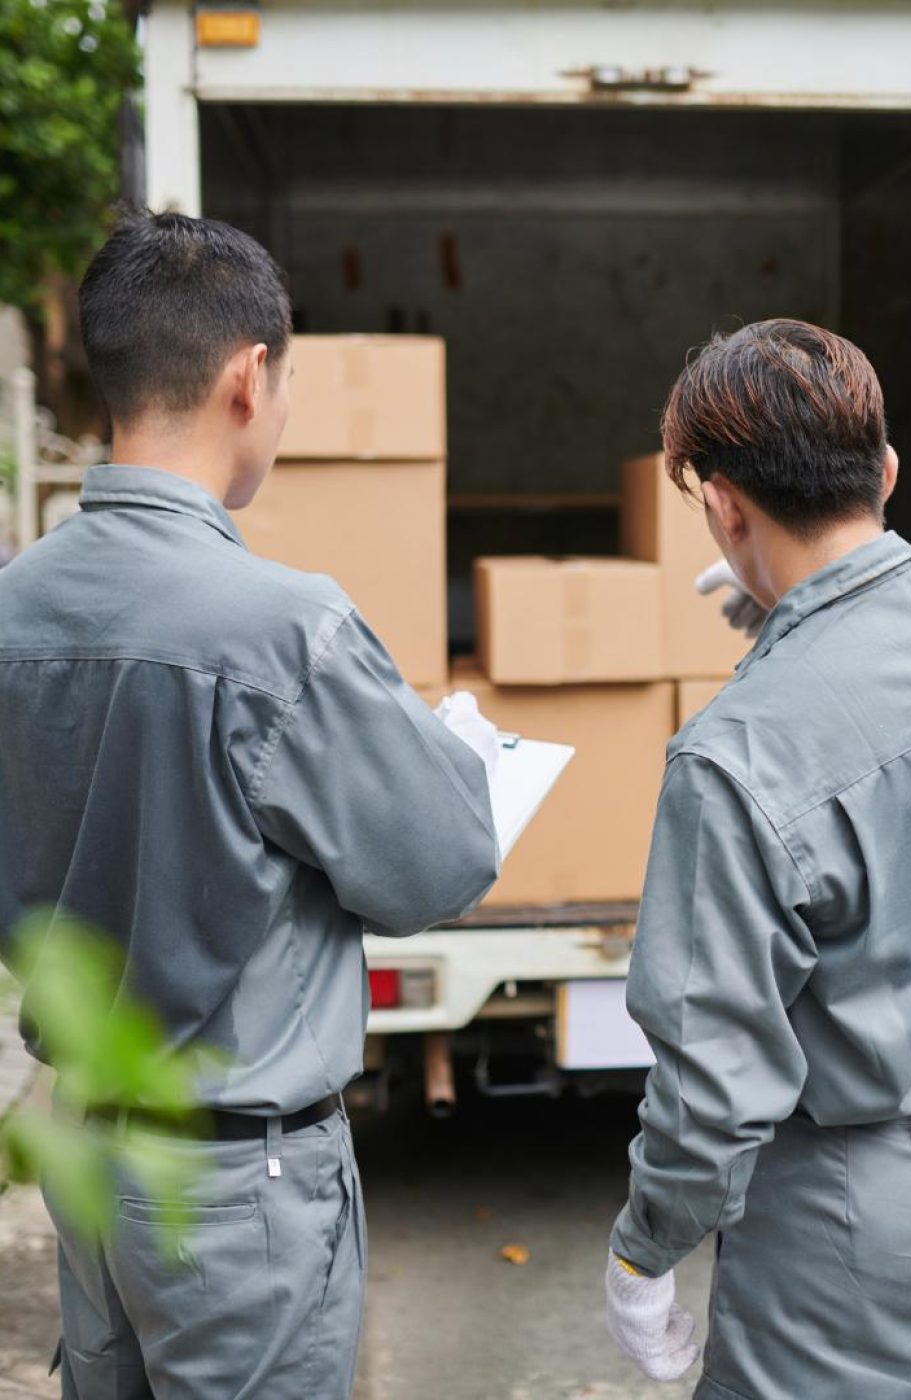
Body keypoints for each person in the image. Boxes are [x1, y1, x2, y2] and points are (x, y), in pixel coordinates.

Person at [0, 212, 501, 1399]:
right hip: (238, 1193)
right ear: (247, 376)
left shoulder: (14, 606)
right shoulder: (283, 628)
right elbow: (439, 866)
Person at [604, 319, 911, 1398]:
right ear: (884, 471)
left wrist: (647, 1248)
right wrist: (789, 617)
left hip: (848, 1205)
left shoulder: (733, 755)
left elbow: (712, 1080)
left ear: (724, 508)